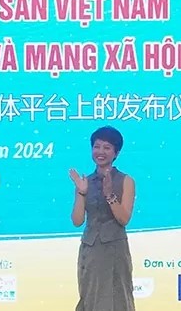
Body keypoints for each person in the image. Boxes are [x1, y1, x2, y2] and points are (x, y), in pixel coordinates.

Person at [68, 126, 136, 311]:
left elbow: (124, 219)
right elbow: (77, 221)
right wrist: (81, 192)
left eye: (107, 147)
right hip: (90, 250)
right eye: (97, 146)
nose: (100, 152)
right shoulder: (85, 181)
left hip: (114, 250)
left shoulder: (126, 181)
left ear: (116, 153)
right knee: (90, 296)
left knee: (116, 298)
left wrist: (109, 195)